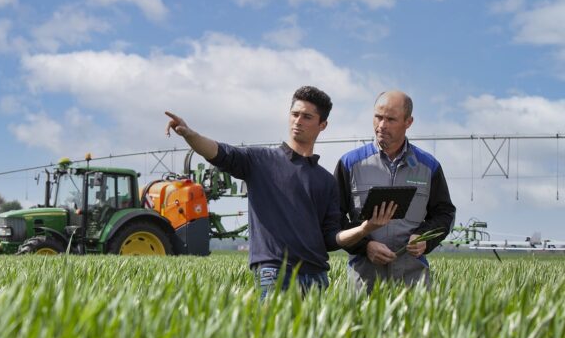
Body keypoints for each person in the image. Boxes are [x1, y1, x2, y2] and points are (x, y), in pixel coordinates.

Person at [165, 86, 397, 299]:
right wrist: (189, 134)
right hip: (274, 272)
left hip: (316, 277)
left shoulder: (326, 181)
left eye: (307, 117)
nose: (298, 121)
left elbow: (331, 238)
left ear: (322, 125)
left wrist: (365, 228)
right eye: (294, 114)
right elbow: (219, 152)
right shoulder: (259, 161)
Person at [334, 90, 456, 293]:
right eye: (378, 117)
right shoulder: (349, 164)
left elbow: (445, 214)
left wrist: (424, 238)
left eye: (390, 119)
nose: (382, 126)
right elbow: (334, 218)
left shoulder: (428, 167)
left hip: (413, 281)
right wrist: (365, 246)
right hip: (364, 281)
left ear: (408, 122)